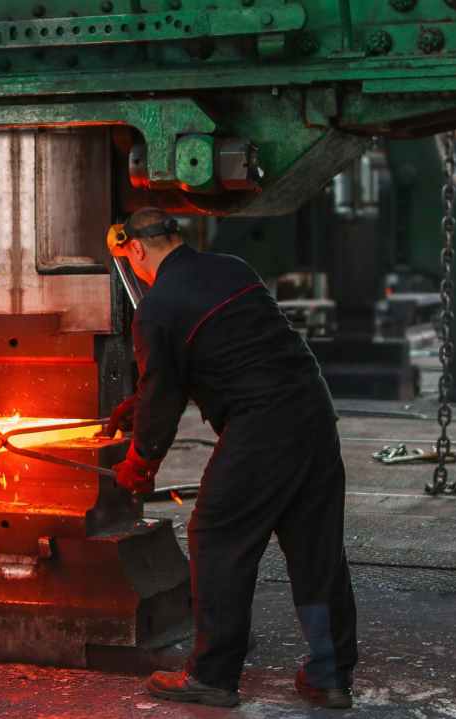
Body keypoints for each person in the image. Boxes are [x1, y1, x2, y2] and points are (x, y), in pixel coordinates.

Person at [103, 208, 357, 709]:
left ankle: (213, 676)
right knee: (316, 550)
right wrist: (140, 405)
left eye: (130, 261)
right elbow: (232, 352)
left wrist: (139, 464)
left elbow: (165, 397)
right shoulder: (231, 268)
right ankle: (330, 676)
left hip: (262, 428)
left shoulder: (157, 307)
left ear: (134, 249)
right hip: (312, 415)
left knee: (216, 535)